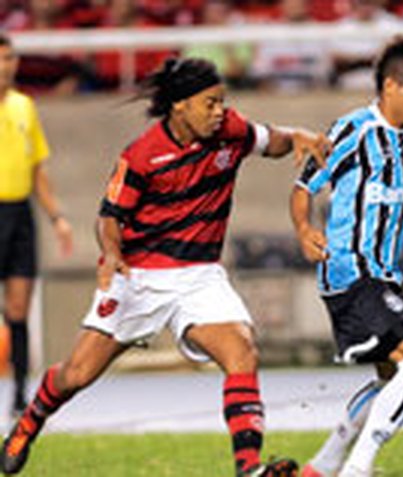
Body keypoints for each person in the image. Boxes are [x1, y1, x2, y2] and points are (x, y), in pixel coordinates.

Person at [1, 56, 329, 476]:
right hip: (137, 277)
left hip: (200, 277)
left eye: (222, 102)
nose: (219, 112)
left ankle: (248, 468)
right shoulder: (142, 155)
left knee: (241, 351)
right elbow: (109, 217)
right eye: (209, 103)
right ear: (179, 105)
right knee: (76, 374)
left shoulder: (230, 131)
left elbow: (271, 140)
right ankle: (28, 422)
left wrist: (300, 136)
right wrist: (113, 255)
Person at [291, 36, 403, 477]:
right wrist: (304, 228)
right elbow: (304, 186)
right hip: (353, 270)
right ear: (391, 86)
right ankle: (358, 468)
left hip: (381, 274)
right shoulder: (353, 131)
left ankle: (321, 466)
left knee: (391, 379)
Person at [0, 33, 73, 416]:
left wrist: (57, 217)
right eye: (0, 59)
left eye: (10, 58)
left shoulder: (24, 107)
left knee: (18, 307)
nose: (6, 66)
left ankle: (18, 395)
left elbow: (37, 170)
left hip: (20, 215)